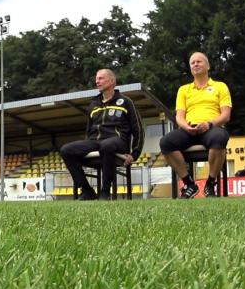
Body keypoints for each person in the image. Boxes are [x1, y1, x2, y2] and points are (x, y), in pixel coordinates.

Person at [60, 69, 144, 200]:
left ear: (111, 81)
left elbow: (138, 128)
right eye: (96, 78)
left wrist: (135, 154)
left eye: (101, 78)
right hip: (95, 142)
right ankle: (87, 190)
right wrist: (85, 146)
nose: (96, 81)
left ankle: (105, 191)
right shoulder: (93, 104)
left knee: (106, 145)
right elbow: (89, 130)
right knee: (66, 150)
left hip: (118, 141)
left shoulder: (126, 101)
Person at [159, 52, 232, 198]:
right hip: (189, 129)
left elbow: (226, 115)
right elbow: (179, 116)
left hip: (211, 128)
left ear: (208, 66)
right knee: (166, 142)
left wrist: (209, 124)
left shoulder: (220, 87)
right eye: (192, 63)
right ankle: (189, 184)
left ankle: (210, 184)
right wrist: (186, 126)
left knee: (220, 137)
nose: (195, 64)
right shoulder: (183, 90)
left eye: (199, 61)